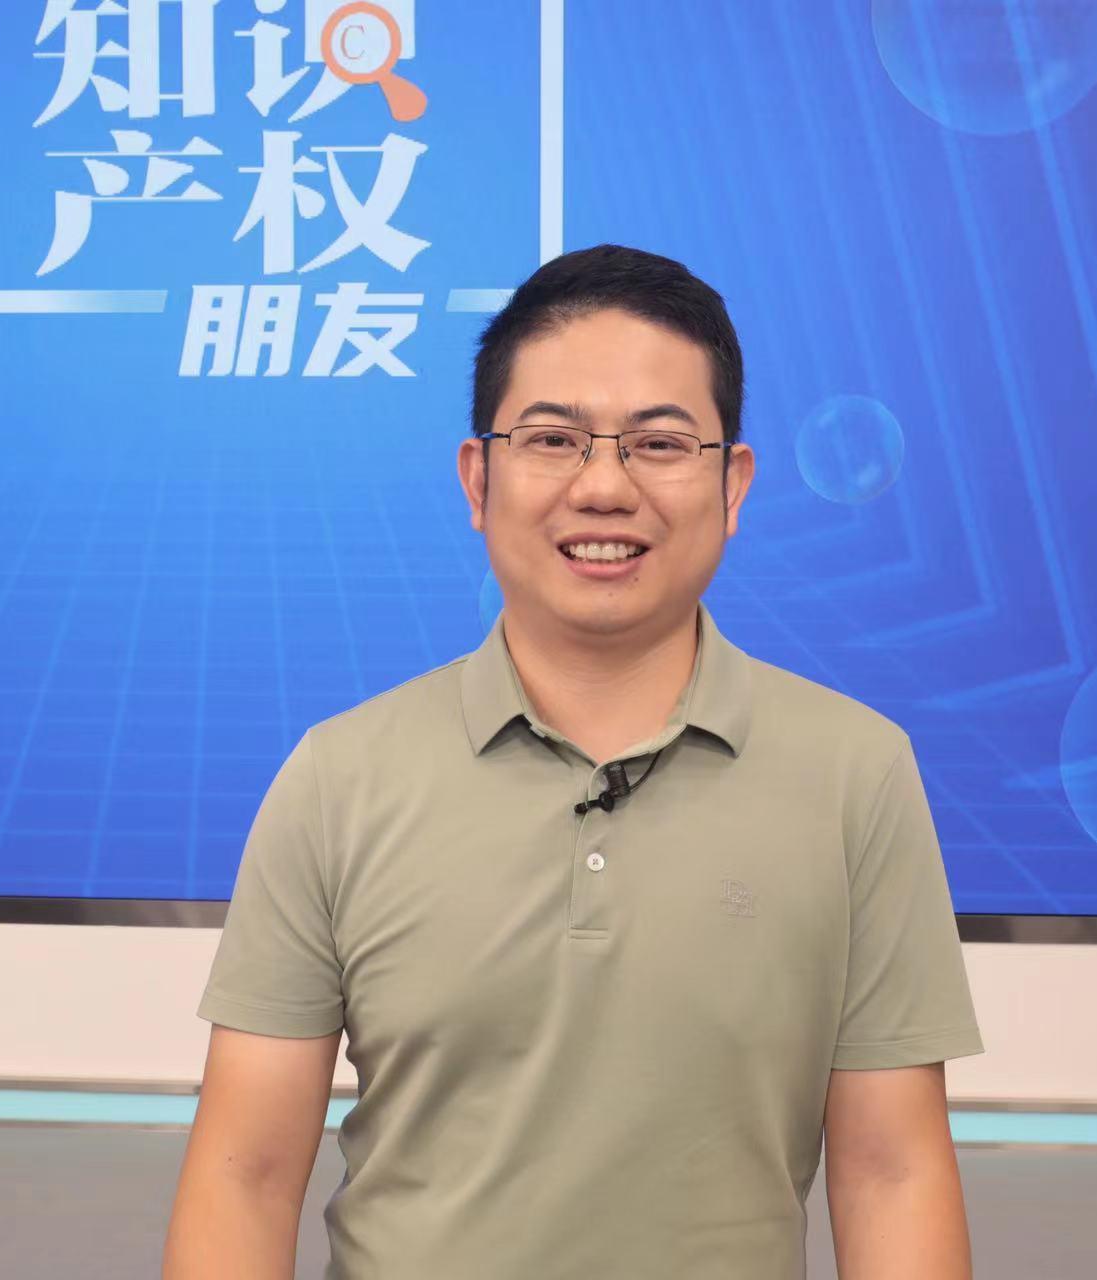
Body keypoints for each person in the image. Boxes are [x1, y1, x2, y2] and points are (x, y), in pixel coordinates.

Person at [164, 244, 981, 1279]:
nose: (603, 486)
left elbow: (891, 1172)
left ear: (732, 483)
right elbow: (244, 1173)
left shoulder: (855, 773)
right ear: (479, 478)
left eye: (659, 443)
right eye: (552, 439)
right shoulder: (340, 778)